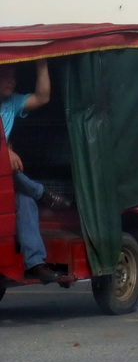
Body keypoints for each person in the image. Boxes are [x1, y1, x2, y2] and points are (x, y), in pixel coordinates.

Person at [0, 60, 72, 284]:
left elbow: (42, 97)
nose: (12, 79)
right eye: (6, 75)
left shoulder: (11, 103)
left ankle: (36, 263)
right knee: (10, 166)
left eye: (14, 74)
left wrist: (41, 63)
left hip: (4, 177)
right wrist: (4, 152)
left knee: (25, 200)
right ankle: (43, 193)